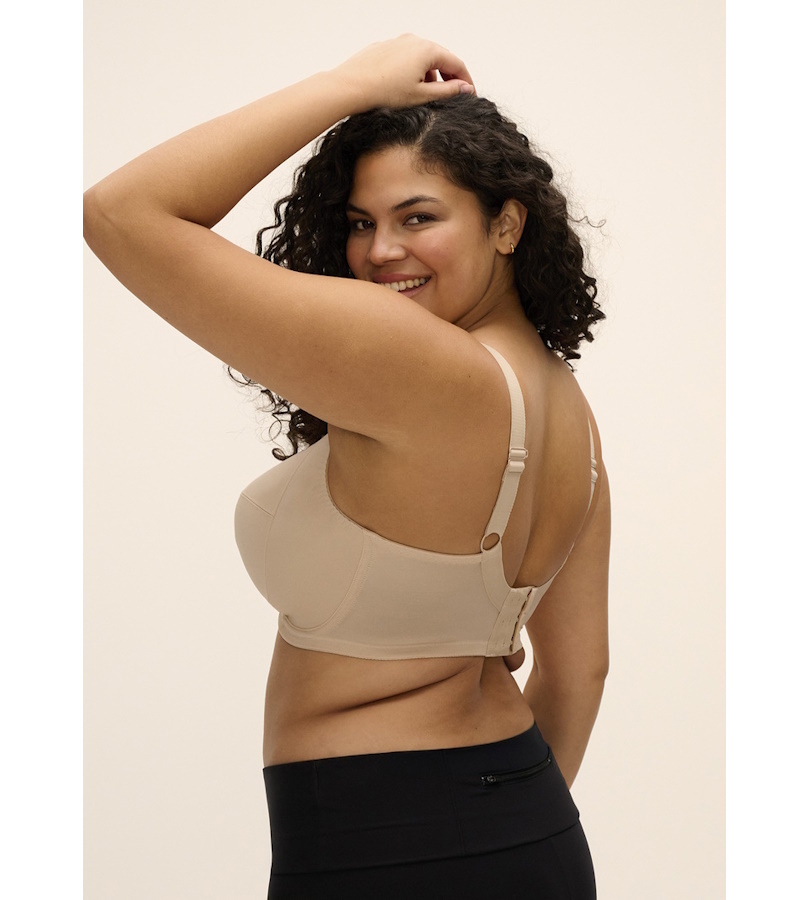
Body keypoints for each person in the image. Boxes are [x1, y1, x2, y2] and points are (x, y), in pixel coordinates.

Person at [84, 34, 610, 899]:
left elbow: (121, 212)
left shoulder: (412, 357)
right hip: (533, 831)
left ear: (507, 223)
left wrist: (348, 84)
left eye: (418, 217)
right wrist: (494, 835)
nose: (379, 252)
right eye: (362, 223)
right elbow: (581, 671)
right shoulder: (570, 415)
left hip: (374, 845)